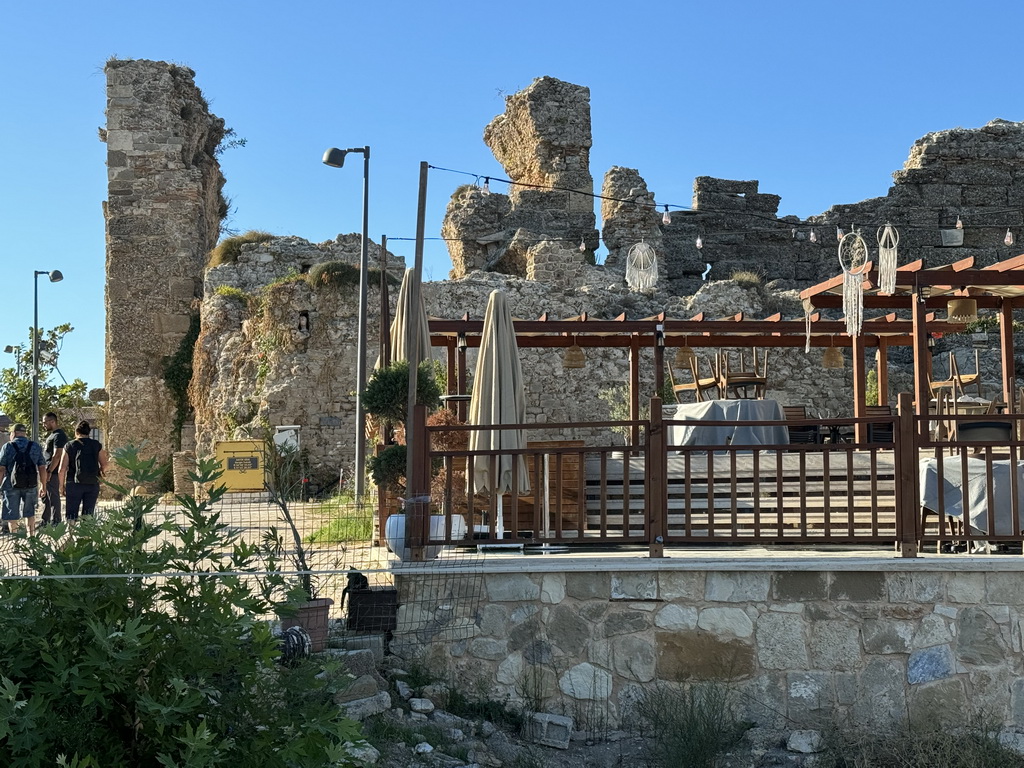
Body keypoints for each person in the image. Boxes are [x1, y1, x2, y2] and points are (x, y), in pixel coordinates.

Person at [0, 423, 47, 536]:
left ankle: (16, 541)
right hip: (30, 484)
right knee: (30, 513)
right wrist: (43, 486)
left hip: (11, 485)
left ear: (14, 433)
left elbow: (1, 468)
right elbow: (42, 467)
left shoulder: (8, 446)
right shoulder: (35, 446)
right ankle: (31, 538)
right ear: (24, 433)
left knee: (12, 515)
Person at [59, 420, 108, 522]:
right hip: (92, 483)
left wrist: (61, 486)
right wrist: (100, 475)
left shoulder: (69, 445)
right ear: (88, 432)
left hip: (73, 483)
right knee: (88, 515)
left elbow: (62, 469)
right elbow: (105, 465)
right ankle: (86, 536)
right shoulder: (96, 445)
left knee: (71, 513)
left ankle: (71, 536)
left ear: (76, 432)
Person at [41, 412, 68, 527]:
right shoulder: (52, 435)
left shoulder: (59, 435)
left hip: (53, 471)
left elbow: (57, 455)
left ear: (52, 421)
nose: (43, 425)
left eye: (44, 422)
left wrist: (50, 471)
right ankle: (45, 521)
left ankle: (56, 521)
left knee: (53, 496)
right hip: (48, 469)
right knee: (45, 497)